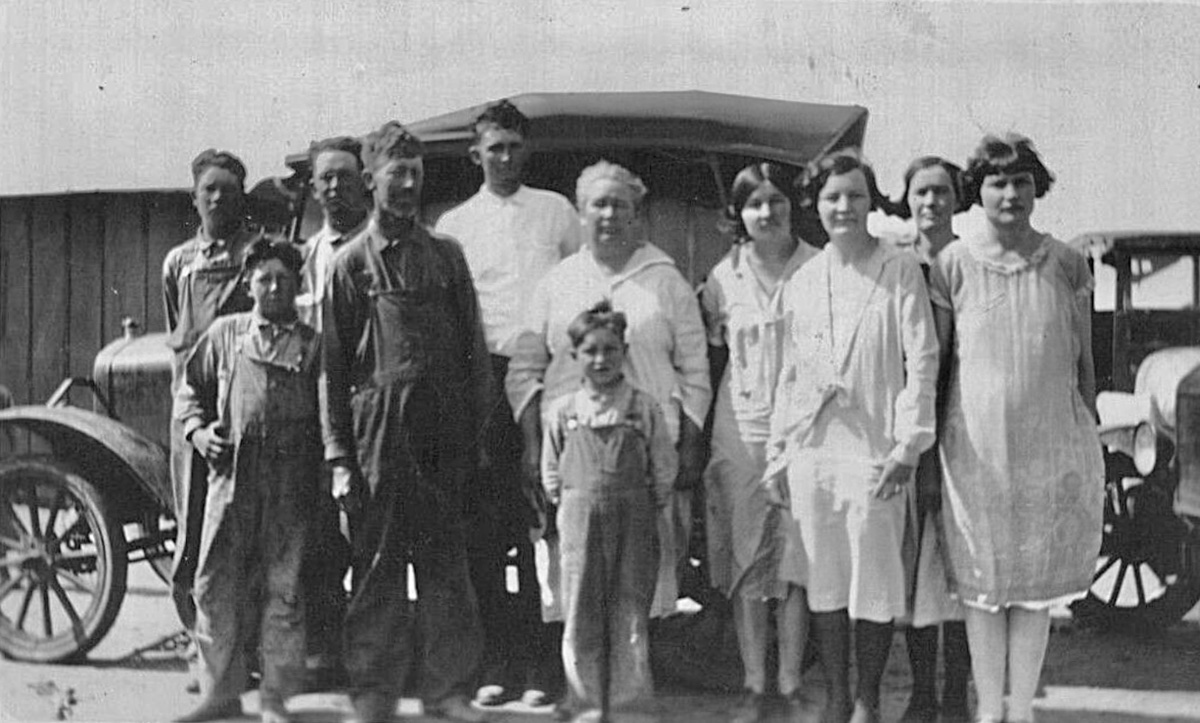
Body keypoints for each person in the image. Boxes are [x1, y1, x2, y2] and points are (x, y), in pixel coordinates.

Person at [929, 134, 1103, 723]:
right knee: (983, 586)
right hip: (974, 453)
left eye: (1021, 181)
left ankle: (1022, 709)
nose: (1010, 194)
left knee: (1036, 588)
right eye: (997, 182)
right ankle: (987, 710)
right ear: (977, 191)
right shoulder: (953, 265)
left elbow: (1084, 361)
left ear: (1037, 188)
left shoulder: (1067, 264)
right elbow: (941, 365)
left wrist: (1087, 431)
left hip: (1050, 448)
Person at [320, 120, 489, 723]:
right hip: (378, 439)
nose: (410, 185)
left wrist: (473, 438)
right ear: (371, 182)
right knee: (377, 571)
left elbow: (473, 353)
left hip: (441, 437)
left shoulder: (446, 256)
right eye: (398, 174)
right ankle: (374, 695)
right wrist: (339, 458)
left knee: (446, 569)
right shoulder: (349, 266)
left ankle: (448, 693)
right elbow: (331, 371)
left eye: (416, 173)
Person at [767, 150, 939, 723]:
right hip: (815, 453)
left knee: (875, 583)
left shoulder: (898, 269)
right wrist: (779, 453)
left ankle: (867, 698)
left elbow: (922, 360)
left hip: (876, 454)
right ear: (815, 206)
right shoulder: (804, 280)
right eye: (832, 197)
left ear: (871, 202)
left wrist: (908, 445)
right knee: (825, 579)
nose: (844, 207)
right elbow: (793, 374)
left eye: (855, 195)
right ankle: (837, 695)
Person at [506, 160, 710, 628]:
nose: (609, 215)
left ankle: (639, 663)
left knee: (643, 580)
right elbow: (524, 369)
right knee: (577, 578)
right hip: (574, 450)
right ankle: (578, 664)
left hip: (646, 451)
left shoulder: (666, 282)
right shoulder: (557, 282)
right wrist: (534, 444)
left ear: (637, 215)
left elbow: (695, 370)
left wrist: (689, 443)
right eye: (599, 204)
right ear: (581, 214)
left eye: (620, 206)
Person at [434, 99, 579, 706]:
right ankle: (498, 658)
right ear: (476, 154)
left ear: (528, 149)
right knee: (492, 529)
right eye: (494, 148)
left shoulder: (557, 211)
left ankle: (548, 662)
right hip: (486, 380)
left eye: (515, 147)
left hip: (550, 376)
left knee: (548, 519)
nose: (505, 157)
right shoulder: (456, 225)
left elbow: (581, 287)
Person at [172, 238, 320, 723]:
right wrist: (198, 433)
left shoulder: (314, 344)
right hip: (231, 480)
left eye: (284, 279)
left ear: (298, 284)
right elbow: (188, 390)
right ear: (249, 285)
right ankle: (219, 692)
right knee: (214, 584)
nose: (274, 288)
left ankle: (275, 697)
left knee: (284, 590)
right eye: (264, 279)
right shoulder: (225, 335)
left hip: (290, 484)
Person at [699, 163, 819, 723]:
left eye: (776, 200)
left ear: (793, 205)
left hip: (804, 426)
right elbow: (713, 354)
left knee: (796, 557)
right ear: (739, 214)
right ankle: (753, 681)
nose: (766, 212)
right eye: (754, 203)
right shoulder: (723, 277)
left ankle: (791, 681)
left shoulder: (819, 267)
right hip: (741, 427)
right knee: (747, 555)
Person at [541, 301, 677, 723]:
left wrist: (650, 502)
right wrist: (568, 504)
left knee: (629, 609)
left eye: (610, 350)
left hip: (633, 517)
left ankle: (628, 704)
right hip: (579, 518)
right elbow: (551, 470)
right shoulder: (564, 410)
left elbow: (663, 466)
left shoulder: (643, 407)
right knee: (580, 611)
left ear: (625, 351)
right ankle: (584, 702)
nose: (601, 360)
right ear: (575, 355)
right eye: (591, 351)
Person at [162, 149, 261, 672]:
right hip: (193, 413)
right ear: (194, 198)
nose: (219, 198)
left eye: (228, 189)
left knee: (245, 532)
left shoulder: (257, 252)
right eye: (209, 190)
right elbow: (179, 334)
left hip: (244, 410)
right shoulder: (178, 262)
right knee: (193, 528)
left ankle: (246, 646)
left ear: (242, 197)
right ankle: (200, 645)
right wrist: (192, 422)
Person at [888, 157, 972, 723]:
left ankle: (957, 694)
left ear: (957, 199)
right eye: (921, 192)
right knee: (917, 564)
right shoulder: (896, 264)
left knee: (960, 566)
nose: (931, 203)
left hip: (967, 425)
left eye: (941, 192)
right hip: (913, 422)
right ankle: (922, 694)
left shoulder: (971, 260)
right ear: (907, 198)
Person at [294, 135, 370, 687]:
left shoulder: (377, 248)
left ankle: (371, 653)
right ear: (315, 187)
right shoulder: (304, 256)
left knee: (367, 534)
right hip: (312, 411)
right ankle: (325, 651)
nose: (336, 186)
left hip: (364, 409)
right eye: (326, 178)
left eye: (346, 175)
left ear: (365, 181)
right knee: (319, 537)